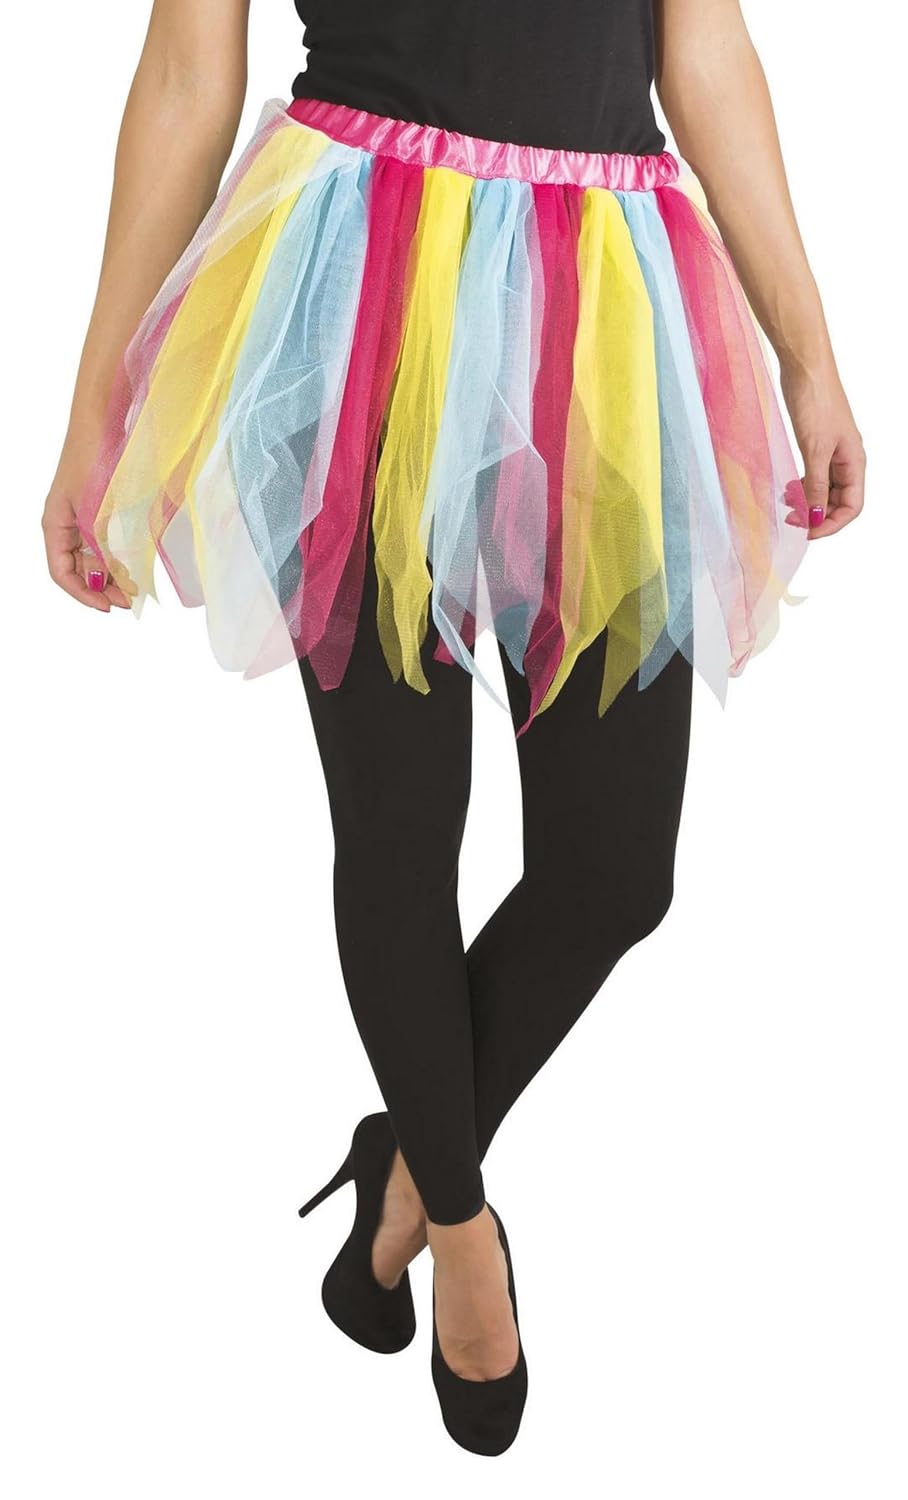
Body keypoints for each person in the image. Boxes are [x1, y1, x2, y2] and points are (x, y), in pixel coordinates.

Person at [42, 0, 864, 1457]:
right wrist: (97, 399)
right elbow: (184, 69)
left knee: (614, 872)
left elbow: (706, 49)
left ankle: (406, 1170)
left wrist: (808, 353)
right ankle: (464, 1227)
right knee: (403, 829)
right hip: (355, 276)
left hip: (601, 292)